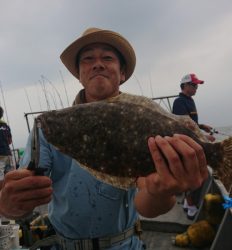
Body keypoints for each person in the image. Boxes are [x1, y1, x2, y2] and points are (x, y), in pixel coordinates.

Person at [0, 28, 208, 250]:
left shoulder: (146, 119)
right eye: (88, 59)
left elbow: (147, 203)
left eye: (107, 58)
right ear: (79, 75)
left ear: (122, 74)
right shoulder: (48, 126)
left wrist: (162, 190)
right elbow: (23, 197)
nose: (97, 64)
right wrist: (7, 204)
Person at [172, 73, 215, 220]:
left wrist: (202, 126)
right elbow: (183, 127)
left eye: (197, 85)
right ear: (185, 86)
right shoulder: (179, 102)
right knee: (191, 174)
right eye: (194, 85)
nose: (196, 88)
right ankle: (190, 206)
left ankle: (187, 202)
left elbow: (192, 124)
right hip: (185, 145)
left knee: (195, 173)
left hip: (193, 143)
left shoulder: (190, 101)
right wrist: (204, 138)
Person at [0, 106, 13, 180]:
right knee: (9, 175)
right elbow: (10, 141)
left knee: (0, 177)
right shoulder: (6, 126)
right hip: (8, 154)